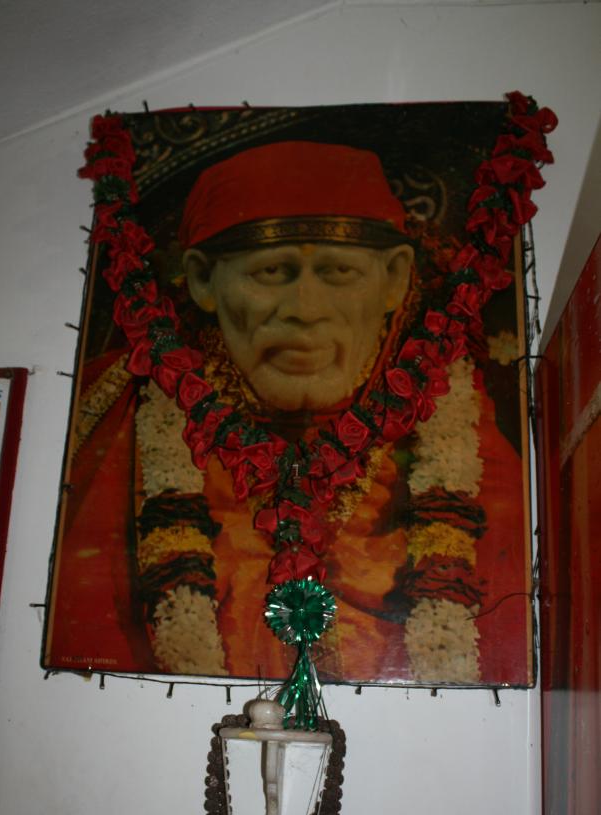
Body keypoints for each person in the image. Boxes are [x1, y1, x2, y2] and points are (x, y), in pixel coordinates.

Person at [46, 140, 530, 686]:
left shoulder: (470, 436)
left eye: (338, 272)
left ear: (395, 278)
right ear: (203, 279)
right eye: (271, 271)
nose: (305, 310)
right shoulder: (117, 419)